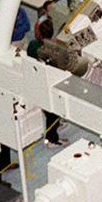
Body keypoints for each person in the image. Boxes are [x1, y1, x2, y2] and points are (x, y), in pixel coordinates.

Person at [26, 19, 65, 147]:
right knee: (51, 113)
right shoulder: (54, 50)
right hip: (50, 83)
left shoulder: (32, 45)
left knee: (50, 111)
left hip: (37, 82)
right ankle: (51, 139)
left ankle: (55, 127)